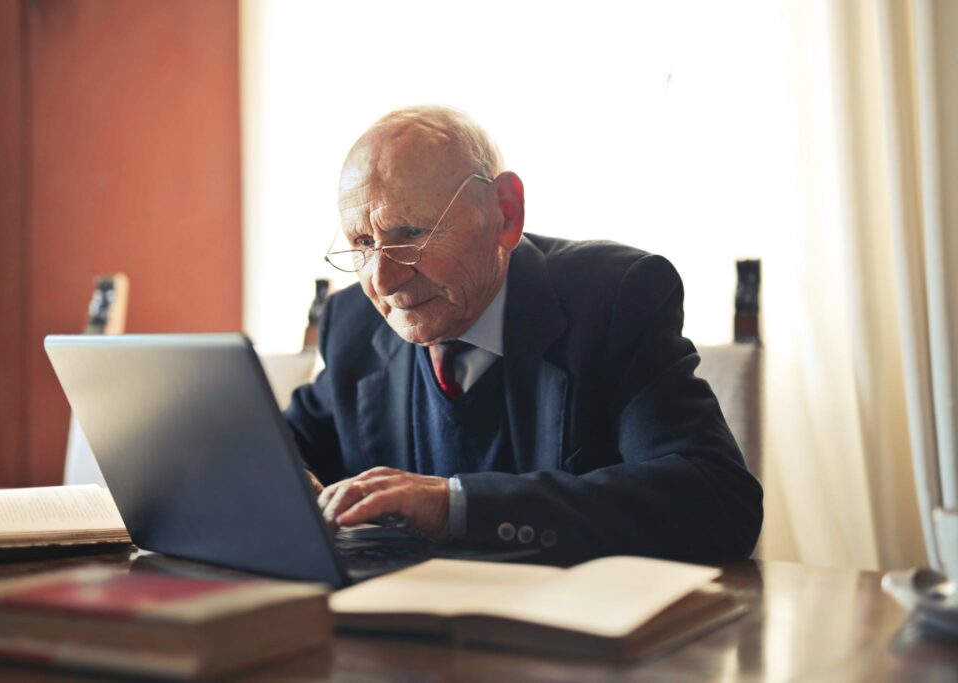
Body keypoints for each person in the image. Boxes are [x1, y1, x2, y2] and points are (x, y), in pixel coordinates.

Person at [285, 105, 763, 566]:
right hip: (395, 634)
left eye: (411, 232)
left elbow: (716, 501)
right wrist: (282, 483)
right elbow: (282, 446)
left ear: (506, 213)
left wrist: (454, 505)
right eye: (364, 243)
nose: (383, 281)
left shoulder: (615, 298)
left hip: (568, 635)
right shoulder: (354, 323)